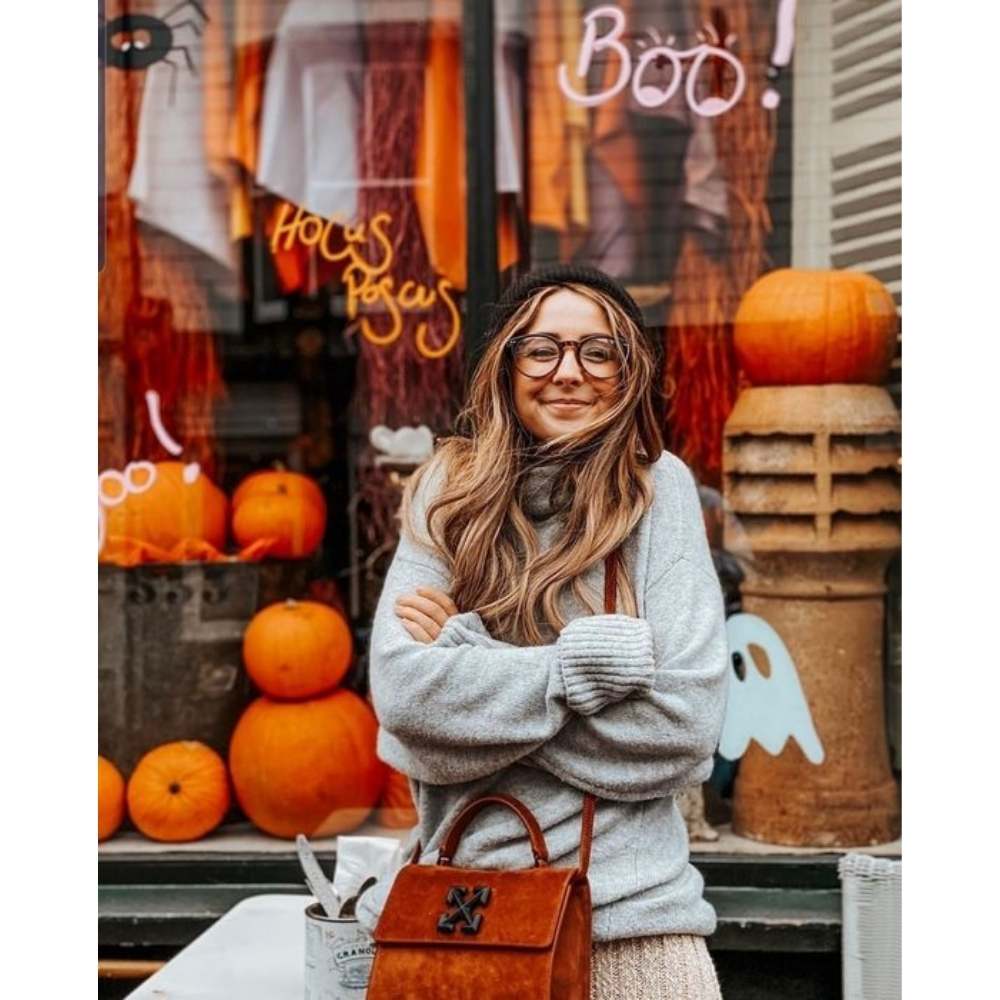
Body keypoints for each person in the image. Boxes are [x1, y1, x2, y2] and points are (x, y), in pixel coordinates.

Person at [356, 264, 729, 999]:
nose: (569, 373)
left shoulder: (661, 493)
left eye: (598, 352)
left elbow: (686, 727)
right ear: (507, 363)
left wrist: (470, 670)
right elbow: (405, 702)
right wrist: (575, 674)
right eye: (543, 348)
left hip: (637, 933)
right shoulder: (447, 491)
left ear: (629, 374)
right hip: (461, 923)